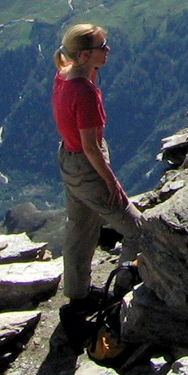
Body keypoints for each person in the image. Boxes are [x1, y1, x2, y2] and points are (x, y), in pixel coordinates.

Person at [52, 21, 143, 301]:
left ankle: (77, 295)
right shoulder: (86, 93)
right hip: (88, 167)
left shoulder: (64, 75)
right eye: (102, 47)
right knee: (138, 231)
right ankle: (122, 291)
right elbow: (91, 147)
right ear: (84, 56)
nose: (108, 50)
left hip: (68, 159)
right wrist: (110, 181)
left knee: (80, 228)